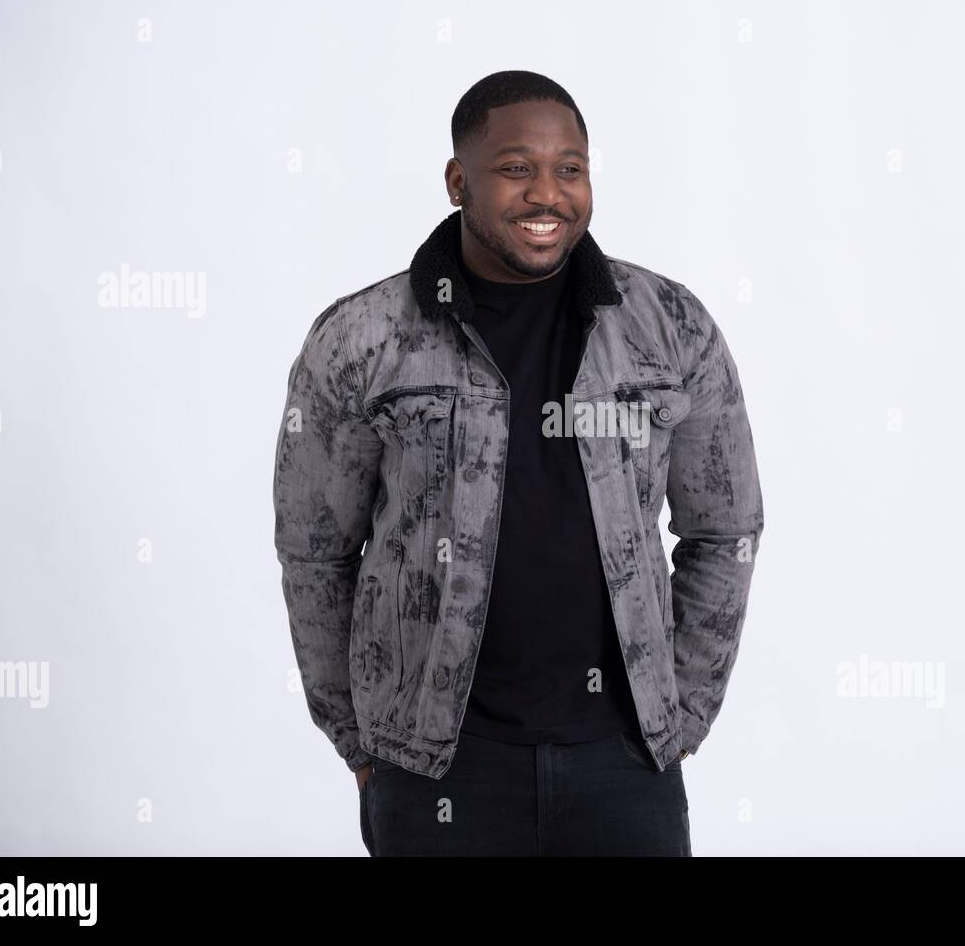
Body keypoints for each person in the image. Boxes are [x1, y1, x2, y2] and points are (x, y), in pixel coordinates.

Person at [273, 70, 764, 856]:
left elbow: (726, 528)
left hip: (624, 764)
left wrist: (683, 716)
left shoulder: (669, 326)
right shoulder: (362, 339)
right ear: (458, 181)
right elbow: (315, 550)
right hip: (436, 768)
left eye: (570, 168)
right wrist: (363, 748)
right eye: (515, 169)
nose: (548, 193)